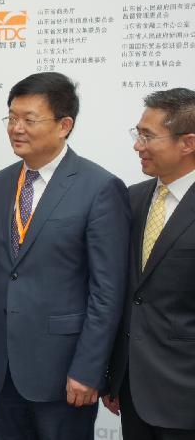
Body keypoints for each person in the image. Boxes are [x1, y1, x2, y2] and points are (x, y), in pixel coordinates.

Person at [0, 72, 130, 440]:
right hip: (3, 365)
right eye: (11, 118)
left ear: (64, 125)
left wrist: (89, 369)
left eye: (29, 119)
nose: (16, 128)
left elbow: (107, 291)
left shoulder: (100, 187)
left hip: (64, 370)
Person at [102, 88, 195, 440]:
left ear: (187, 143)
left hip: (186, 394)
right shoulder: (131, 198)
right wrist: (115, 374)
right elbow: (127, 295)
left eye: (148, 136)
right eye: (137, 133)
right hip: (132, 391)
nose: (137, 145)